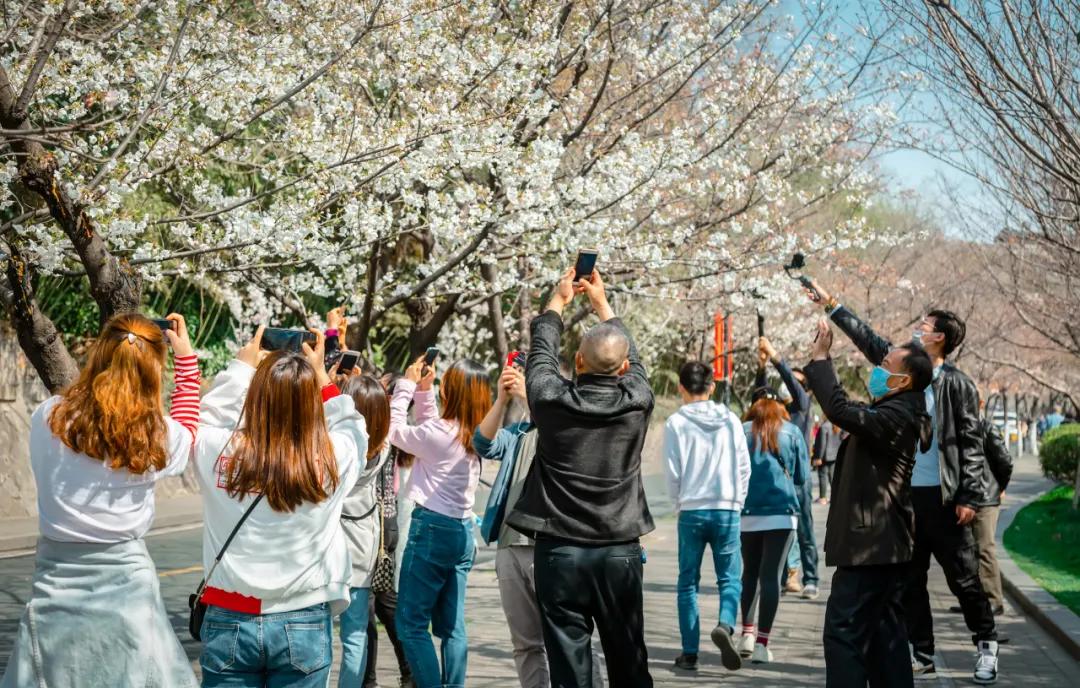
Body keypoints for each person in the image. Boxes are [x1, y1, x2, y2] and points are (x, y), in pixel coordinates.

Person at [808, 280, 1000, 684]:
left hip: (937, 501)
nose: (917, 328)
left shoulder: (949, 385)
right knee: (897, 607)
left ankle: (986, 642)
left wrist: (968, 494)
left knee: (962, 576)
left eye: (925, 325)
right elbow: (868, 339)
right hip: (905, 505)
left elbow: (970, 440)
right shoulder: (903, 370)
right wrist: (831, 304)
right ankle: (924, 652)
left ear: (940, 338)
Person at [1, 314, 199, 688]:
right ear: (154, 369)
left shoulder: (49, 417)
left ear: (99, 354)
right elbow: (189, 432)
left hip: (55, 584)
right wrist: (186, 360)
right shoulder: (156, 435)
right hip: (128, 585)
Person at [506, 267, 655, 688]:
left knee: (570, 672)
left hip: (559, 553)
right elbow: (635, 359)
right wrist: (603, 306)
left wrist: (557, 300)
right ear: (624, 367)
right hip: (618, 552)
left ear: (576, 362)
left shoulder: (550, 400)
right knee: (630, 665)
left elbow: (540, 355)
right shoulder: (638, 401)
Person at [193, 326, 367, 687]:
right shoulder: (332, 460)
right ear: (311, 403)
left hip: (229, 615)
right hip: (302, 618)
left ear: (253, 396)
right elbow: (352, 427)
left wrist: (241, 368)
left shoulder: (217, 451)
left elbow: (207, 416)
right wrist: (320, 375)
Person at [802, 317, 932, 688]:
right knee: (884, 640)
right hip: (883, 547)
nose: (878, 369)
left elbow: (841, 411)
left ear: (903, 381)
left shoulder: (898, 416)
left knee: (844, 636)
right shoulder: (897, 412)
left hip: (870, 548)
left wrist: (822, 360)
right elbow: (849, 408)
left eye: (885, 365)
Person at [475, 360, 606, 688]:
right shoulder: (519, 434)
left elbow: (563, 434)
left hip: (555, 547)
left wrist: (531, 399)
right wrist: (502, 399)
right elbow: (483, 443)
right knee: (525, 644)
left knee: (572, 638)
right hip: (511, 547)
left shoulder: (572, 427)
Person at [390, 355, 493, 688]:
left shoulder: (438, 434)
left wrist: (405, 386)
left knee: (411, 624)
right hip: (462, 532)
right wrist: (424, 392)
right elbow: (431, 429)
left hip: (432, 530)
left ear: (453, 391)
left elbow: (393, 431)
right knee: (452, 627)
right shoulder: (477, 435)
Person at [663, 360, 751, 672]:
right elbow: (744, 466)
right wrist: (737, 502)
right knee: (730, 577)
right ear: (712, 387)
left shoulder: (675, 422)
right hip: (727, 508)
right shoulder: (731, 420)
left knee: (688, 583)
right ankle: (725, 625)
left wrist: (679, 506)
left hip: (692, 509)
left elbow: (672, 473)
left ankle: (689, 653)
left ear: (681, 388)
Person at [736, 387, 808, 665]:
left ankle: (746, 634)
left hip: (746, 512)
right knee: (771, 577)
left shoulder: (740, 431)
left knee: (749, 573)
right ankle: (763, 644)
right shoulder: (791, 432)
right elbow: (801, 477)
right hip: (782, 514)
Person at [338, 374, 396, 686]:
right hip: (361, 548)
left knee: (318, 630)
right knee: (355, 634)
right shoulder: (382, 449)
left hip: (330, 548)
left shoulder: (336, 447)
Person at [757, 337, 819, 599]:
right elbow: (758, 396)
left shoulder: (802, 408)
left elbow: (795, 386)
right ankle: (784, 577)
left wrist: (775, 357)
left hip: (798, 478)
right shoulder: (776, 411)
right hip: (776, 477)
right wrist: (762, 367)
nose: (787, 385)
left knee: (804, 528)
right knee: (779, 529)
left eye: (795, 381)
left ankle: (811, 578)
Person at [812, 420, 844, 504]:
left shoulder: (824, 426)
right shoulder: (838, 425)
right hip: (835, 455)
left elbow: (822, 443)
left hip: (825, 456)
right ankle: (835, 497)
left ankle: (823, 497)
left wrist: (818, 457)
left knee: (822, 476)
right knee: (832, 477)